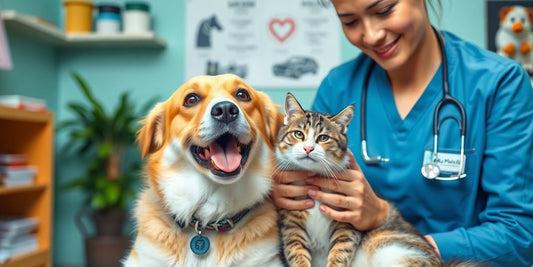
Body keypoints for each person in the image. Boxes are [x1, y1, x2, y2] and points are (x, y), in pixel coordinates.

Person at [271, 0, 533, 266]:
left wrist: (386, 224)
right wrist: (278, 193)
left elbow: (517, 235)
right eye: (350, 21)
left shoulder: (499, 83)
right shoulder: (338, 87)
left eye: (384, 10)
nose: (372, 35)